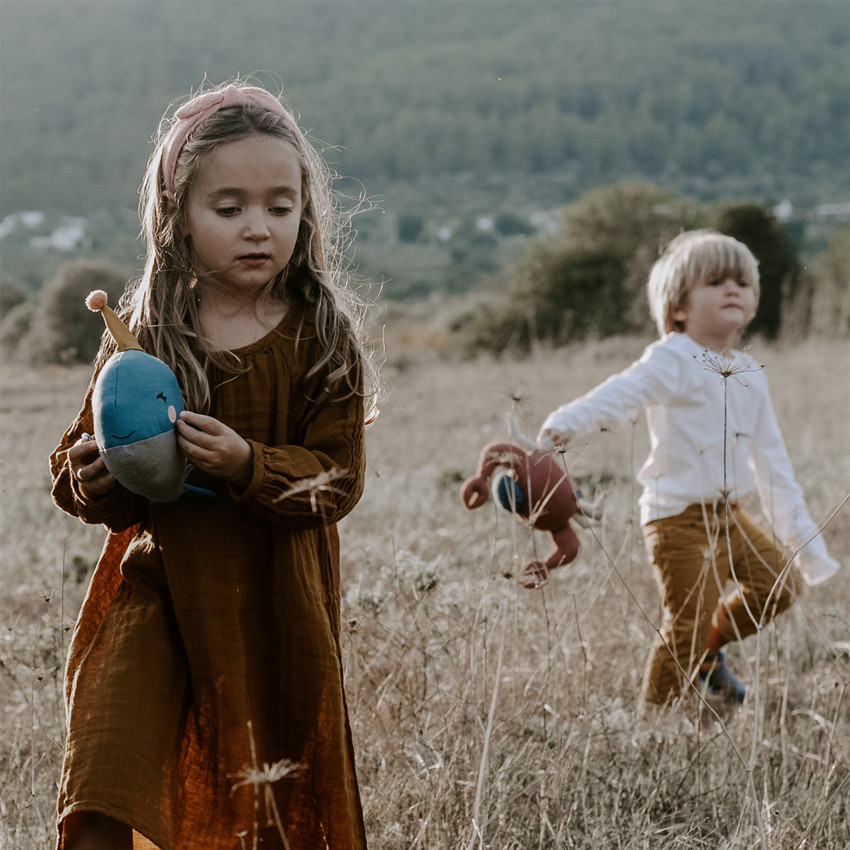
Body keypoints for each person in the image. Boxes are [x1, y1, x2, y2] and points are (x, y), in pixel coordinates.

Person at [50, 82, 377, 850]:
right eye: (228, 209)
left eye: (280, 206)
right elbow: (77, 462)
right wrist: (94, 477)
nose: (258, 228)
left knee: (261, 805)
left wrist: (246, 464)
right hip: (157, 589)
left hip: (273, 608)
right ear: (177, 218)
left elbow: (338, 481)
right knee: (105, 774)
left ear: (306, 211)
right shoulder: (143, 333)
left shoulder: (320, 337)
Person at [537, 230, 840, 707]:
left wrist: (803, 541)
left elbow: (773, 464)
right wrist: (562, 426)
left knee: (779, 587)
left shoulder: (750, 374)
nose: (733, 289)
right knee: (686, 623)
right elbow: (619, 393)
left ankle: (707, 656)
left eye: (742, 281)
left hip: (731, 515)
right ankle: (652, 726)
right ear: (678, 307)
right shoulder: (672, 358)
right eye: (716, 281)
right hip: (676, 519)